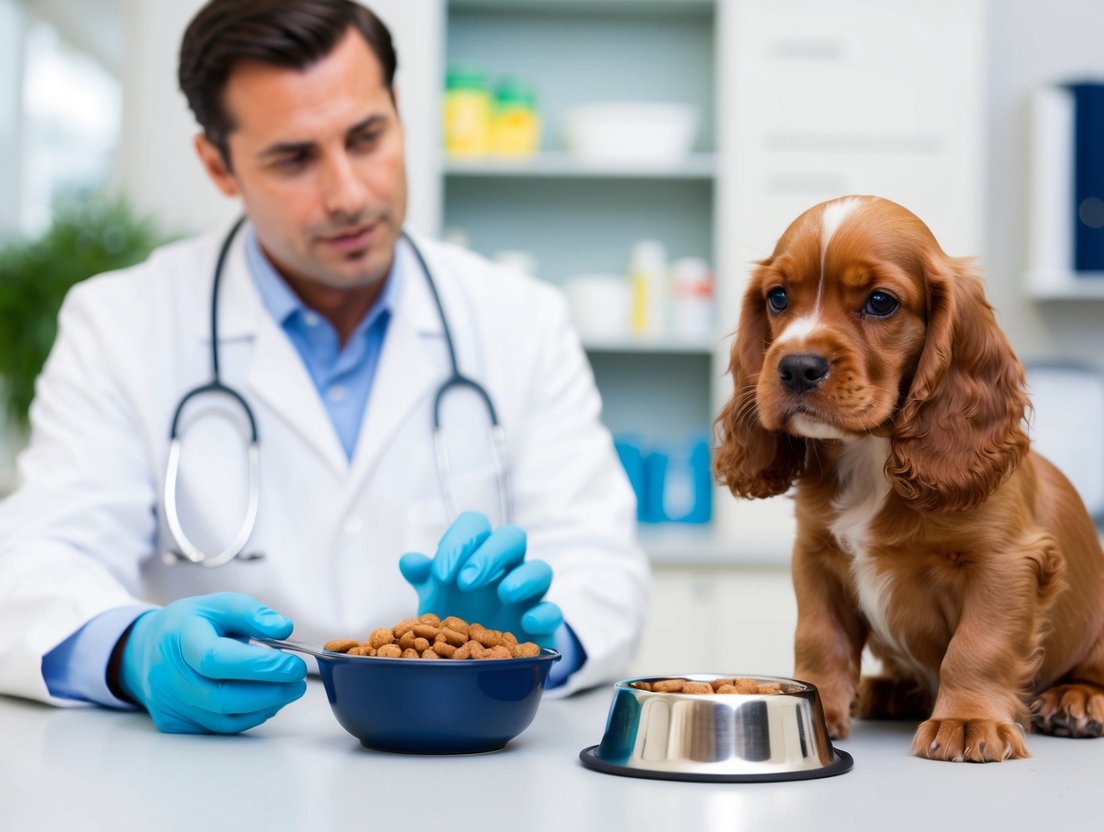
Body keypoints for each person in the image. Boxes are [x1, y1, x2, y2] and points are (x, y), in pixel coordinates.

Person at [0, 0, 649, 734]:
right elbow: (36, 562)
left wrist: (520, 643)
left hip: (465, 758)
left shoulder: (518, 320)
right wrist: (130, 651)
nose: (349, 195)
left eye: (366, 137)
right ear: (218, 165)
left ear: (400, 113)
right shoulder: (120, 323)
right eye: (294, 158)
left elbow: (605, 569)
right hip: (216, 766)